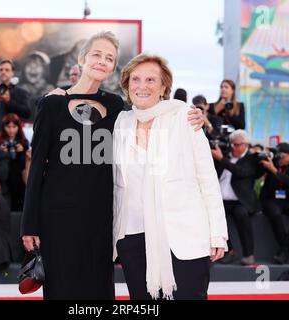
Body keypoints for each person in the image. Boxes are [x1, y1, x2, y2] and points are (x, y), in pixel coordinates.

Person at [21, 32, 204, 300]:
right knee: (61, 288)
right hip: (58, 217)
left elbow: (153, 109)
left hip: (102, 217)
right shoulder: (52, 104)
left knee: (99, 289)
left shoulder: (116, 105)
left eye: (110, 58)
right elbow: (37, 168)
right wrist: (29, 225)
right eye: (97, 54)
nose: (102, 61)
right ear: (82, 59)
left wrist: (189, 112)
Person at [113, 53, 228, 300]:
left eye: (151, 80)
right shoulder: (121, 122)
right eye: (136, 79)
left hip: (182, 236)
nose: (142, 86)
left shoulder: (184, 116)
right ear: (127, 84)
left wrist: (217, 232)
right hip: (133, 239)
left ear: (164, 86)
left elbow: (207, 178)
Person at [211, 129, 263, 265]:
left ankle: (248, 254)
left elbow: (242, 172)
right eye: (232, 144)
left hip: (240, 201)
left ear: (246, 144)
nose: (233, 147)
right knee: (214, 217)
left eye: (237, 144)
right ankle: (229, 251)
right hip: (221, 199)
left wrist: (221, 159)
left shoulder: (252, 158)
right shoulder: (225, 155)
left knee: (242, 215)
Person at [0, 113, 29, 211]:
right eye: (8, 127)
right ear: (4, 127)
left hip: (18, 180)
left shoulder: (23, 142)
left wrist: (21, 152)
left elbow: (25, 165)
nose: (11, 130)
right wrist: (1, 152)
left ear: (18, 127)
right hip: (4, 180)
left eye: (14, 127)